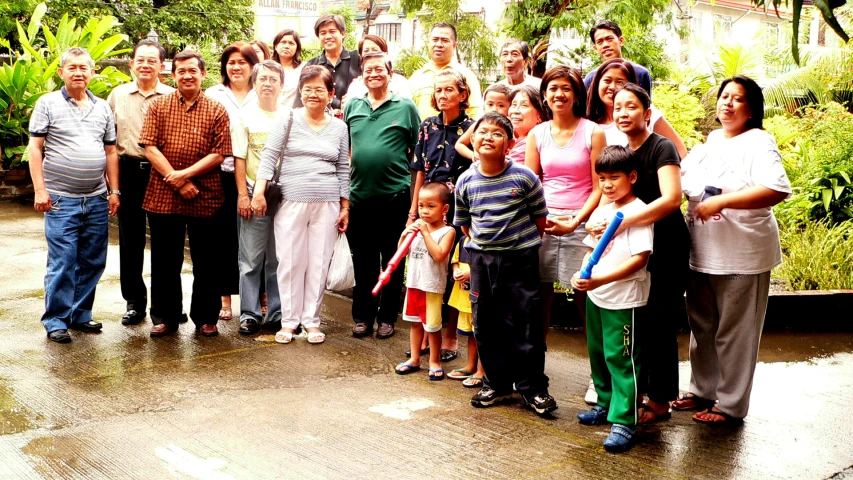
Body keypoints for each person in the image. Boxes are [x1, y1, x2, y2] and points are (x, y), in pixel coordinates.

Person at [678, 76, 791, 424]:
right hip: (703, 251)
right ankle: (702, 390)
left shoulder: (759, 141)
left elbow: (776, 188)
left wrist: (722, 202)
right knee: (703, 327)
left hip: (743, 253)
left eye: (737, 99)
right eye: (724, 96)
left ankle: (730, 405)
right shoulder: (711, 141)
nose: (727, 103)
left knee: (736, 334)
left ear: (752, 109)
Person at [588, 83, 690, 424]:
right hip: (630, 246)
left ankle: (661, 401)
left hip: (666, 246)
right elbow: (609, 194)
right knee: (638, 325)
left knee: (660, 324)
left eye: (631, 107)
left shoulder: (662, 148)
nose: (623, 113)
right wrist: (593, 222)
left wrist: (620, 223)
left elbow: (672, 199)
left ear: (647, 113)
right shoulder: (620, 149)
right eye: (617, 108)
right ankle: (636, 395)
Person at [455, 112, 557, 417]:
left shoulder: (524, 177)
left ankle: (533, 388)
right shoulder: (465, 181)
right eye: (482, 132)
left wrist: (518, 246)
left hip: (520, 259)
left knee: (525, 323)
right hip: (482, 261)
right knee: (485, 323)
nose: (488, 137)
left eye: (497, 133)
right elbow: (464, 225)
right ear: (472, 140)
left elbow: (539, 219)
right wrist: (484, 250)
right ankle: (497, 383)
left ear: (510, 143)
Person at [251, 65, 350, 345]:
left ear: (331, 93)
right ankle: (289, 322)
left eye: (319, 89)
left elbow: (343, 167)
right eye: (307, 89)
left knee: (318, 264)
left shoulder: (340, 127)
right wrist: (258, 193)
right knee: (290, 262)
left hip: (328, 202)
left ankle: (312, 322)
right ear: (300, 92)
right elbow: (269, 157)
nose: (313, 94)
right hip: (291, 200)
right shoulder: (288, 118)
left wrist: (345, 207)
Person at [28, 47, 120, 343]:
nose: (78, 72)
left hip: (95, 198)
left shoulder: (103, 107)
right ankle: (56, 319)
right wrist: (40, 190)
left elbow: (110, 151)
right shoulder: (48, 103)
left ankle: (80, 314)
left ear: (93, 72)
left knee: (93, 260)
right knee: (63, 261)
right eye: (72, 67)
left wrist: (113, 190)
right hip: (60, 199)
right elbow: (35, 148)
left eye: (84, 68)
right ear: (61, 72)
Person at [139, 50, 232, 338]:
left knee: (207, 261)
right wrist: (177, 180)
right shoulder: (159, 106)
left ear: (203, 74)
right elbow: (149, 146)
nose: (187, 75)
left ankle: (206, 317)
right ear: (173, 74)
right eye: (181, 71)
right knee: (165, 261)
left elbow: (219, 153)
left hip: (205, 195)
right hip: (163, 195)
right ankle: (165, 317)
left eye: (193, 70)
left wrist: (186, 175)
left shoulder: (216, 109)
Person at [571, 146, 653, 453]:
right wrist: (582, 275)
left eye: (614, 178)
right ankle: (604, 405)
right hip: (598, 295)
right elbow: (592, 250)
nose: (606, 184)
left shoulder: (638, 212)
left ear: (631, 177)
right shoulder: (602, 210)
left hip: (625, 300)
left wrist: (600, 280)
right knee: (599, 352)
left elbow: (639, 261)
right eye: (601, 178)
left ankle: (625, 419)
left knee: (623, 359)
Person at [344, 52, 421, 339]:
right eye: (368, 69)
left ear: (390, 74)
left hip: (395, 198)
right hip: (359, 197)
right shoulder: (353, 105)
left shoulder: (406, 108)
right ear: (361, 75)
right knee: (362, 261)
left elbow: (416, 154)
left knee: (392, 259)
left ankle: (387, 318)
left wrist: (414, 202)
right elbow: (348, 149)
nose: (374, 73)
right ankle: (362, 317)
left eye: (379, 69)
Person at [527, 66, 606, 343]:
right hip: (544, 223)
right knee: (538, 297)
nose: (559, 94)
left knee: (586, 297)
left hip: (582, 223)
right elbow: (531, 183)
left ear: (576, 95)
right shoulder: (537, 134)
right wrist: (539, 219)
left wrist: (576, 221)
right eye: (553, 89)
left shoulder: (593, 132)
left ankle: (599, 376)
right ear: (545, 96)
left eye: (566, 88)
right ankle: (534, 370)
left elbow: (599, 187)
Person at [107, 39, 174, 326]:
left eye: (152, 60)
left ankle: (167, 304)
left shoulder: (172, 95)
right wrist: (114, 187)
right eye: (140, 60)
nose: (146, 65)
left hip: (163, 173)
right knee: (130, 240)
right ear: (131, 63)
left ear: (162, 66)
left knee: (166, 241)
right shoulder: (118, 95)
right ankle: (134, 303)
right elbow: (108, 143)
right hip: (129, 170)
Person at [411, 69, 476, 361]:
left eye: (450, 90)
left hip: (460, 210)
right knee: (428, 270)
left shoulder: (472, 128)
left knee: (452, 272)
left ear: (462, 95)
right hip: (430, 208)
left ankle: (449, 338)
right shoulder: (427, 126)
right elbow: (420, 171)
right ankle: (427, 332)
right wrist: (414, 212)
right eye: (439, 90)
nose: (443, 95)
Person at [205, 42, 260, 322]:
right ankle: (225, 298)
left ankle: (259, 297)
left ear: (252, 66)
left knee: (254, 240)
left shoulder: (260, 92)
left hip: (254, 178)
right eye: (231, 62)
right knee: (222, 239)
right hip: (218, 175)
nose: (236, 67)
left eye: (242, 62)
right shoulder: (214, 94)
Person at [232, 60, 286, 335]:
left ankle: (276, 312)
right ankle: (250, 313)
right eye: (262, 79)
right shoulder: (244, 116)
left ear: (281, 85)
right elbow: (239, 158)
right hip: (254, 193)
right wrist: (243, 195)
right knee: (251, 258)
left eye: (273, 79)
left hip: (284, 196)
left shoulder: (290, 116)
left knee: (277, 258)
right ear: (255, 83)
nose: (267, 84)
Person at [395, 182, 456, 380]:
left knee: (432, 326)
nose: (425, 211)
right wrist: (405, 235)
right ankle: (414, 359)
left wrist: (425, 233)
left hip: (431, 286)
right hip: (414, 283)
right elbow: (401, 252)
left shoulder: (448, 232)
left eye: (431, 206)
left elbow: (439, 255)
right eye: (421, 206)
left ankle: (434, 361)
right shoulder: (417, 228)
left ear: (444, 209)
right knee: (414, 323)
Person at [587, 59, 687, 158]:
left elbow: (680, 150)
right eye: (607, 81)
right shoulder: (587, 122)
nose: (612, 87)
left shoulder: (645, 110)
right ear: (597, 84)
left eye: (620, 82)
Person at [409, 22, 482, 120]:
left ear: (455, 45)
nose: (439, 44)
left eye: (444, 40)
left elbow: (474, 114)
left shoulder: (466, 76)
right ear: (428, 43)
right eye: (435, 40)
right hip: (421, 134)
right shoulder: (417, 77)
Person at [294, 14, 361, 113]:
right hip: (321, 122)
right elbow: (300, 100)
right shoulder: (311, 65)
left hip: (354, 118)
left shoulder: (358, 59)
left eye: (332, 31)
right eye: (323, 33)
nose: (328, 36)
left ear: (342, 33)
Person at [445, 236, 487, 387]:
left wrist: (470, 274)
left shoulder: (487, 239)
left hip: (482, 299)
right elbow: (455, 261)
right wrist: (456, 271)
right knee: (471, 334)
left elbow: (488, 265)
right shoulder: (463, 241)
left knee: (483, 334)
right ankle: (471, 366)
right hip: (465, 299)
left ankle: (482, 371)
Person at [582, 20, 652, 98]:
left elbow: (646, 106)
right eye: (600, 42)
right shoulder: (591, 78)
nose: (605, 45)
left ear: (621, 41)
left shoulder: (641, 73)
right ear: (595, 48)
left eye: (609, 39)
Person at [342, 34, 411, 106]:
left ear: (385, 53)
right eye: (366, 51)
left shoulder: (401, 83)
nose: (371, 54)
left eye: (375, 50)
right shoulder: (356, 86)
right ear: (360, 56)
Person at [454, 83, 512, 161]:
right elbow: (459, 144)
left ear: (510, 107)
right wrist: (473, 155)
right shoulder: (479, 125)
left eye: (501, 105)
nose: (494, 109)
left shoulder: (511, 127)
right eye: (490, 104)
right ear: (484, 106)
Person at [504, 85, 547, 166]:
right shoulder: (514, 138)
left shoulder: (531, 142)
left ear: (540, 115)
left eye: (524, 105)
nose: (515, 111)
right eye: (514, 105)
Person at [271, 29, 305, 108]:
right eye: (283, 42)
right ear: (276, 46)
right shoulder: (267, 68)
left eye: (291, 43)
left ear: (297, 48)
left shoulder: (304, 68)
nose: (286, 46)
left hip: (296, 115)